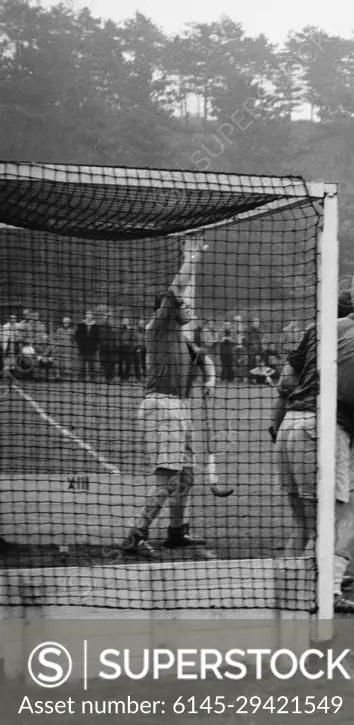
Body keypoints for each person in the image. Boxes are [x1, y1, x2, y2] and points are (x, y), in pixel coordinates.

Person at [268, 281, 354, 615]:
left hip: (292, 425)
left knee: (305, 525)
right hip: (323, 431)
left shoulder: (316, 331)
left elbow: (286, 384)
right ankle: (327, 590)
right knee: (339, 519)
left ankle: (288, 592)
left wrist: (277, 423)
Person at [120, 238, 216, 559]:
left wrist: (210, 378)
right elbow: (178, 286)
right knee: (166, 479)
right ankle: (136, 535)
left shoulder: (182, 340)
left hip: (179, 408)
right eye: (183, 306)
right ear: (170, 310)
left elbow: (204, 359)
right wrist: (193, 256)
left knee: (186, 476)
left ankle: (176, 533)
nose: (189, 309)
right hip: (161, 407)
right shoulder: (158, 327)